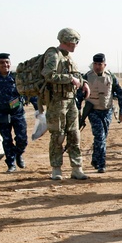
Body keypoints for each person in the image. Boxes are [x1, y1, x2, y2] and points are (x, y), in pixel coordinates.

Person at [42, 28, 90, 181]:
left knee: (74, 134)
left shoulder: (68, 57)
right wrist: (69, 79)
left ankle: (77, 168)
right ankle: (56, 169)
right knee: (58, 135)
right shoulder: (53, 55)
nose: (76, 45)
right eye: (74, 42)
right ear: (67, 40)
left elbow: (76, 76)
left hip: (71, 101)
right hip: (57, 101)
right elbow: (48, 75)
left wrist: (84, 83)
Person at [0, 53, 33, 173]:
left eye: (7, 62)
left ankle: (18, 154)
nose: (5, 65)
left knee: (22, 138)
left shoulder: (16, 77)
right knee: (6, 139)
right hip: (0, 114)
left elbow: (26, 91)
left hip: (17, 113)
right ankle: (11, 163)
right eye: (2, 62)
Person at [83, 53, 122, 173]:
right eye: (95, 64)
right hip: (93, 111)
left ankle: (95, 159)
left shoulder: (111, 76)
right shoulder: (87, 76)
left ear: (104, 64)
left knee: (102, 137)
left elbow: (120, 94)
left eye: (100, 64)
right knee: (100, 136)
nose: (97, 66)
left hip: (107, 111)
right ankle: (102, 163)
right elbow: (80, 94)